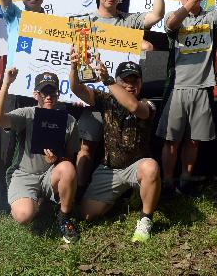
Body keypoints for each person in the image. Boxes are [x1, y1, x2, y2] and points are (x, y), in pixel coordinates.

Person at [75, 0, 164, 195]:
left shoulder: (128, 20)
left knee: (133, 147)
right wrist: (73, 94)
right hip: (96, 97)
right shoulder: (84, 23)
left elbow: (157, 14)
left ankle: (133, 190)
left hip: (124, 99)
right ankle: (77, 192)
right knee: (86, 147)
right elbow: (71, 58)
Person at [69, 58, 161, 243]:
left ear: (141, 83)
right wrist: (74, 66)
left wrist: (108, 80)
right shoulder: (105, 100)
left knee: (151, 167)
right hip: (110, 168)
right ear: (118, 81)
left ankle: (145, 219)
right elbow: (76, 89)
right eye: (125, 80)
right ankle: (125, 196)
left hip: (137, 167)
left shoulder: (148, 104)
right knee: (87, 214)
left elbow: (134, 107)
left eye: (135, 80)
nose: (130, 85)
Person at [157, 0, 217, 197]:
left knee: (193, 140)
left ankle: (186, 181)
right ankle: (168, 182)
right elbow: (170, 25)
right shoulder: (176, 17)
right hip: (177, 87)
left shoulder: (209, 17)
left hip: (203, 87)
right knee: (171, 140)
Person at [0, 68, 80, 243]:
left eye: (52, 92)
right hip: (24, 174)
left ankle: (64, 216)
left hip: (50, 174)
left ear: (58, 94)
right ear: (35, 94)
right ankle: (34, 202)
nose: (48, 97)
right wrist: (6, 84)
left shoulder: (69, 121)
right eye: (44, 92)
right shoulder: (26, 114)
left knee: (68, 168)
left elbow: (70, 157)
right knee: (24, 216)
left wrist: (57, 160)